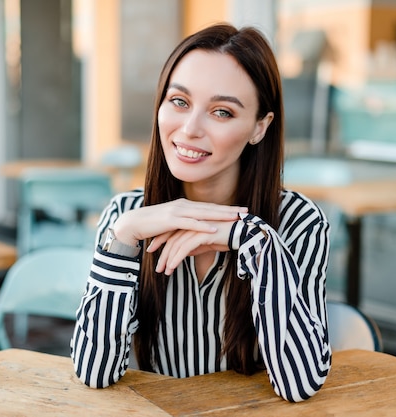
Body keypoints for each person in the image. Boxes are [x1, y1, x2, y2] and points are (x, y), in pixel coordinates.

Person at [71, 23, 331, 402]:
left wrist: (252, 239)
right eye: (179, 102)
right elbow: (94, 372)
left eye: (222, 112)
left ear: (260, 127)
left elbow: (299, 384)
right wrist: (123, 236)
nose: (190, 129)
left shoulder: (299, 223)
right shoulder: (127, 215)